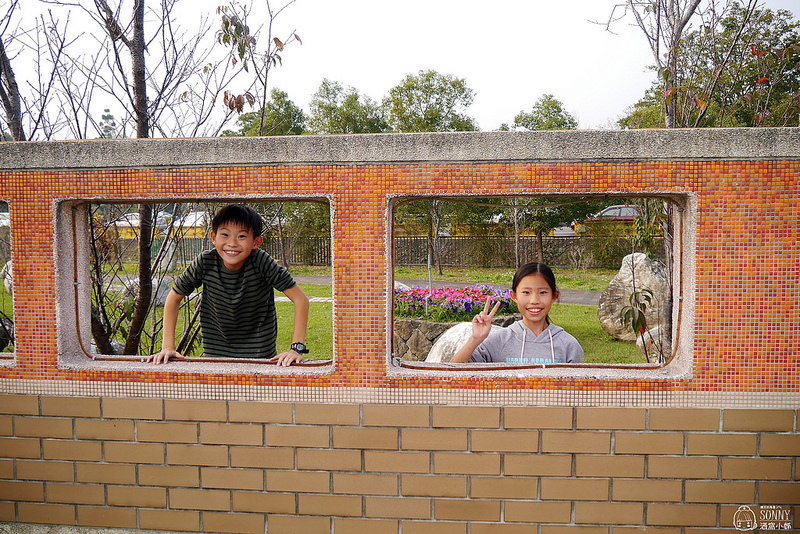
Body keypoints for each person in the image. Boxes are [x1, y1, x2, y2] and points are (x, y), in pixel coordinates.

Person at [148, 204, 309, 366]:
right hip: (217, 357)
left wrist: (296, 349)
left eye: (242, 236)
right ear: (213, 237)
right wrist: (167, 347)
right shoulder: (205, 263)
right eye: (225, 234)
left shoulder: (262, 262)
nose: (232, 243)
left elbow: (301, 299)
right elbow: (174, 298)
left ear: (256, 242)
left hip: (260, 357)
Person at [451, 262, 583, 364]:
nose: (534, 300)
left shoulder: (568, 345)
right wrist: (475, 339)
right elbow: (452, 374)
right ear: (513, 296)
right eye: (526, 292)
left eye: (543, 292)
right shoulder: (499, 340)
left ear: (554, 296)